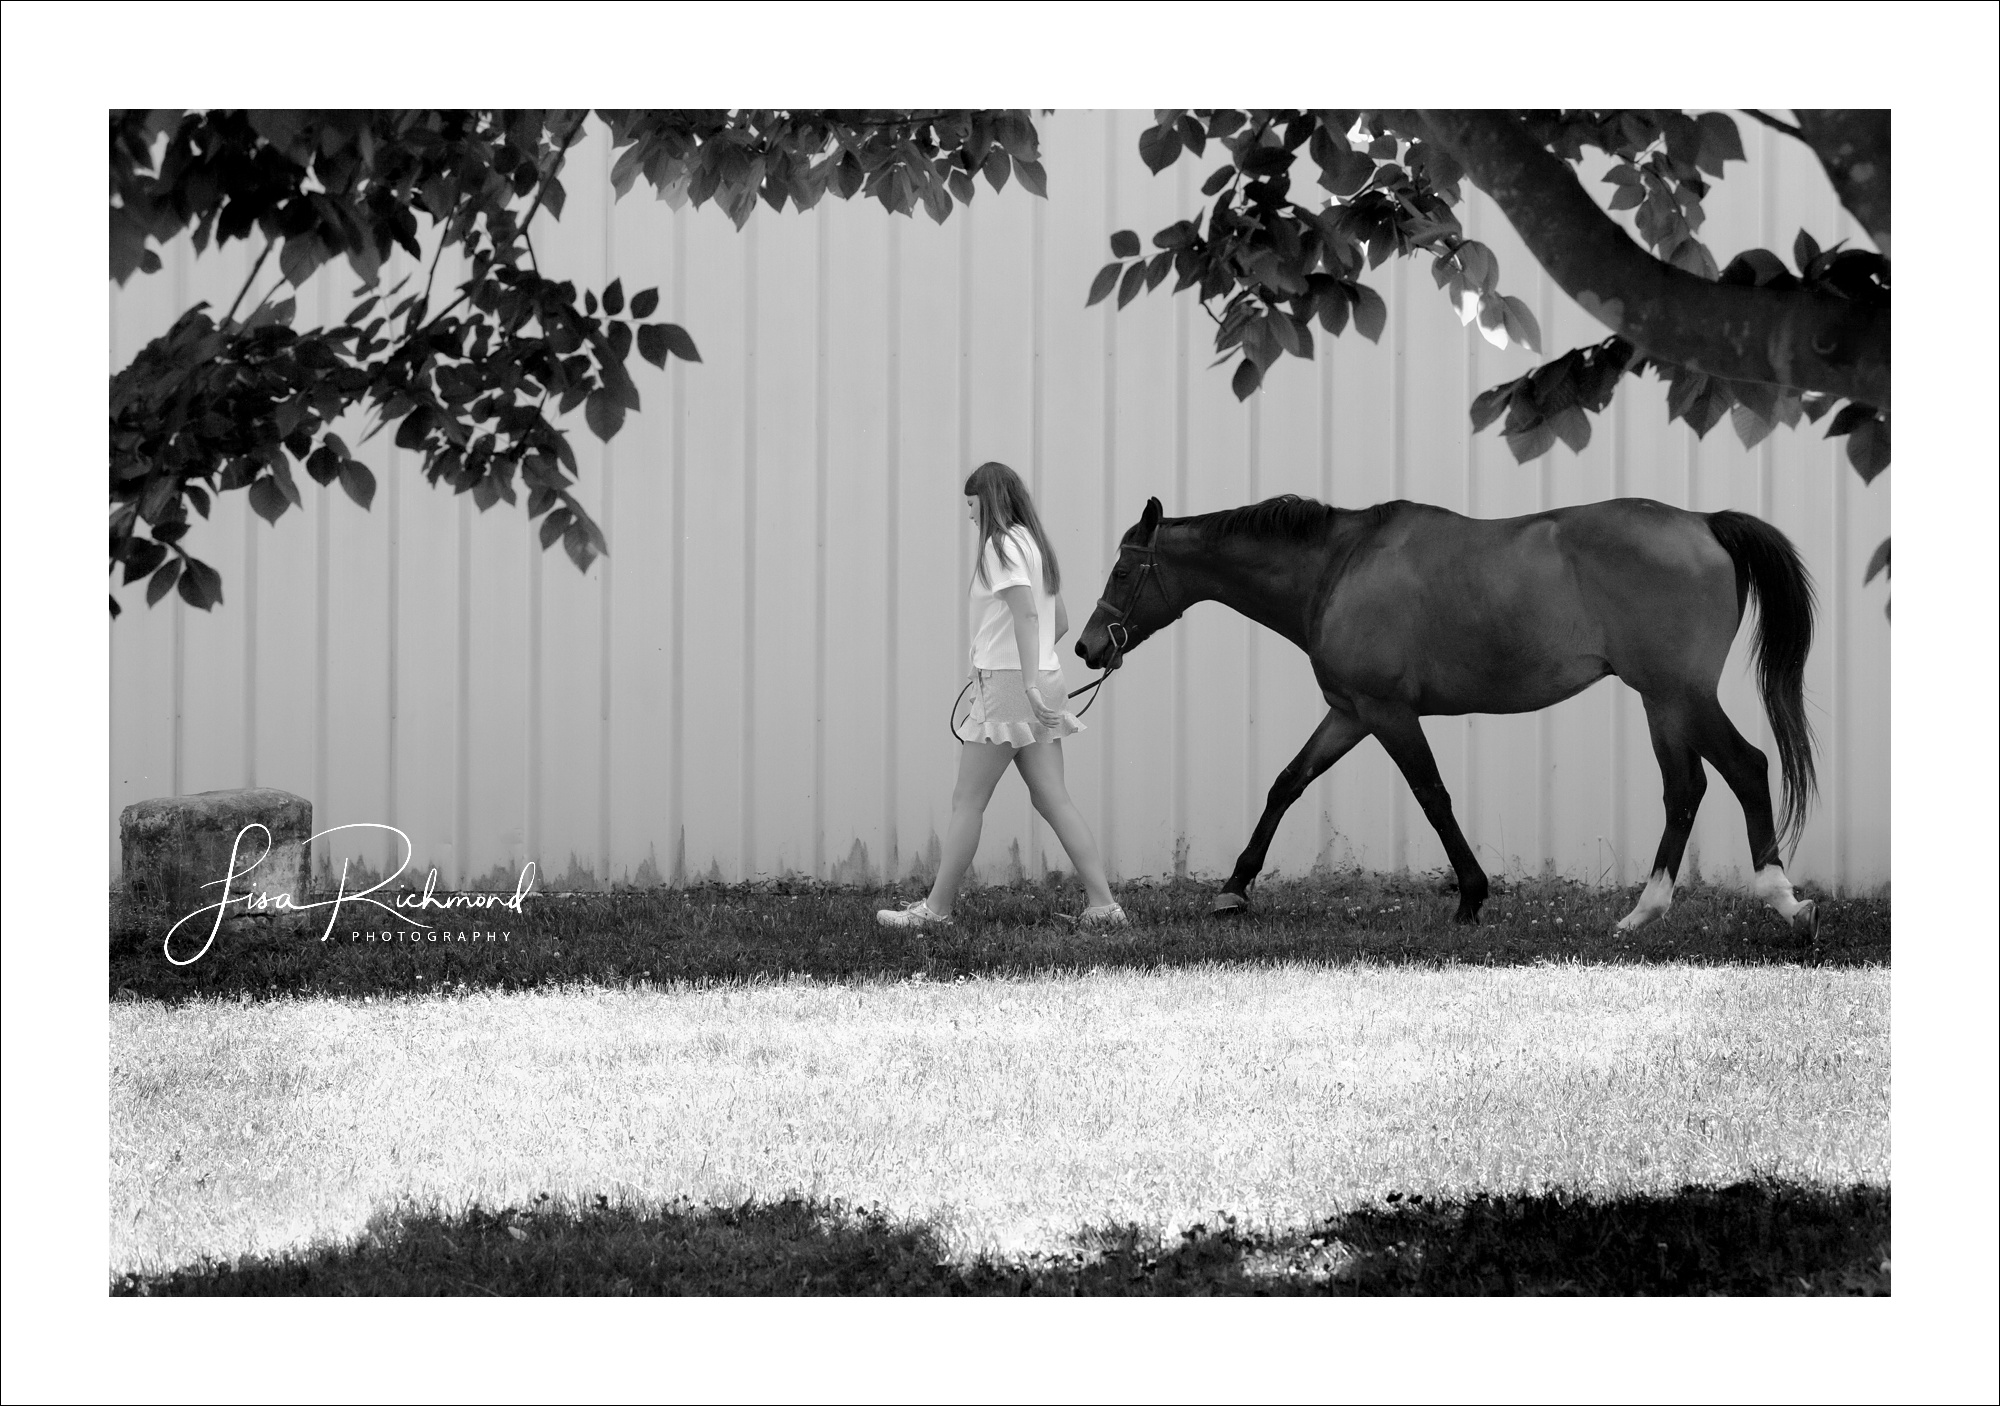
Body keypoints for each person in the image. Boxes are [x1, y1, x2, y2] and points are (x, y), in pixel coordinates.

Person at [878, 462, 1127, 930]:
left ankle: (936, 911)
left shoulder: (998, 545)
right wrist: (1034, 675)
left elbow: (1028, 617)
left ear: (987, 500)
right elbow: (1061, 620)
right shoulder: (1035, 545)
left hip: (1015, 686)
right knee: (1054, 797)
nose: (969, 516)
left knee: (967, 800)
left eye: (971, 506)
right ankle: (1104, 905)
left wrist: (1022, 680)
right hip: (1040, 682)